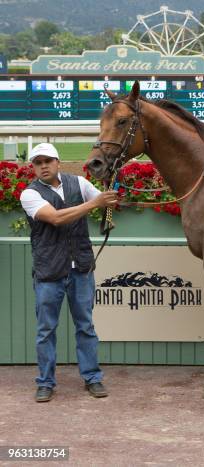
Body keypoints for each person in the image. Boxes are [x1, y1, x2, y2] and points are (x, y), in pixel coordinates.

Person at [20, 143, 118, 402]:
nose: (43, 166)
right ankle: (45, 383)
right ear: (33, 167)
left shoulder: (80, 184)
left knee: (86, 326)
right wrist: (95, 203)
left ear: (58, 162)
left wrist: (110, 197)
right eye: (38, 162)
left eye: (47, 161)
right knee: (46, 330)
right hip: (49, 272)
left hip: (81, 269)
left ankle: (92, 378)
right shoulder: (29, 194)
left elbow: (106, 200)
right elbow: (55, 218)